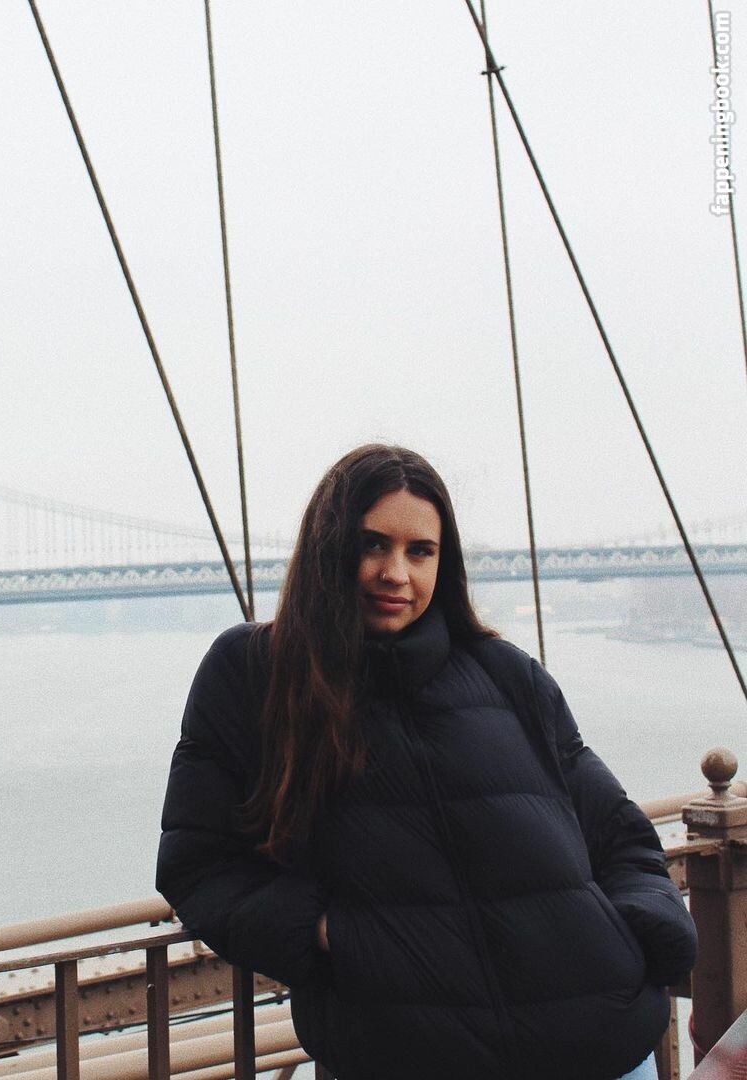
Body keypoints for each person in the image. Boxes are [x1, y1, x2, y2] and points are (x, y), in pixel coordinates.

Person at [155, 444, 696, 1080]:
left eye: (420, 551)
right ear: (328, 548)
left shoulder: (507, 675)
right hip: (413, 1058)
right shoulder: (255, 674)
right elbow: (198, 865)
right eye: (372, 545)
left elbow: (621, 836)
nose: (396, 573)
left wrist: (635, 935)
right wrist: (330, 934)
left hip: (604, 1051)